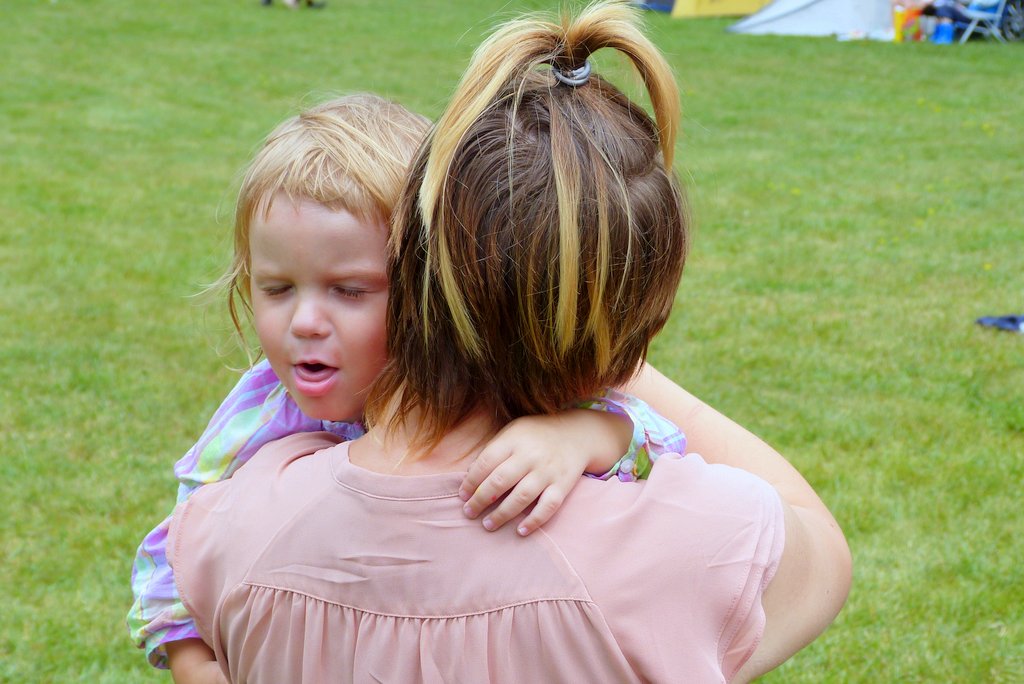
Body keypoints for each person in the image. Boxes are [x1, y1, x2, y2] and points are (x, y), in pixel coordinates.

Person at [167, 2, 852, 682]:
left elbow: (173, 598)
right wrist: (602, 362)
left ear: (410, 268)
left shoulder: (233, 522)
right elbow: (821, 548)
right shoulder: (687, 543)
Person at [128, 94, 687, 681]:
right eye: (276, 288)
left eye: (349, 291)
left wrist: (580, 436)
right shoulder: (259, 411)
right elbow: (171, 554)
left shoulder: (483, 393)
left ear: (428, 291)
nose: (305, 322)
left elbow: (662, 445)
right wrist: (195, 666)